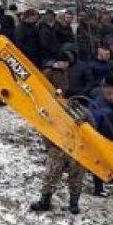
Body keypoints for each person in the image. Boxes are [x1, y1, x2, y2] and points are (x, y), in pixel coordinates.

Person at [30, 50, 86, 215]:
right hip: (54, 121)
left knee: (72, 170)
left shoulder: (63, 73)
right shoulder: (48, 73)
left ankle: (71, 203)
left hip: (64, 118)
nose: (67, 65)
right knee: (55, 169)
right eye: (65, 62)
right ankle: (47, 200)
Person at [88, 75, 113, 196]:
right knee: (101, 161)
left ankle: (99, 187)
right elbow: (108, 130)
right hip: (100, 136)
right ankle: (98, 189)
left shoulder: (96, 95)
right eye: (112, 94)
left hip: (93, 133)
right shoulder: (107, 111)